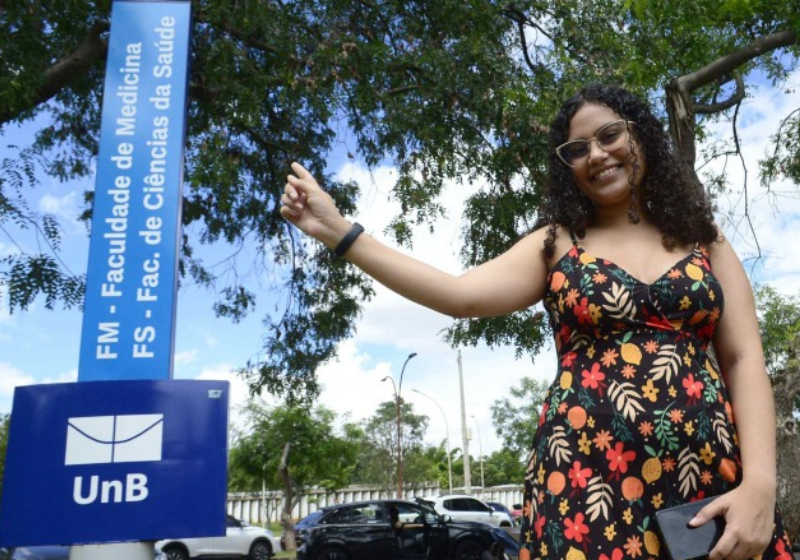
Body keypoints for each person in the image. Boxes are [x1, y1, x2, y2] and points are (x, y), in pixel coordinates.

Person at [280, 84, 791, 560]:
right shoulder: (557, 243)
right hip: (585, 482)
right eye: (577, 149)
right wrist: (341, 233)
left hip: (706, 476)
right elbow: (458, 296)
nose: (596, 154)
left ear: (640, 134)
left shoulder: (703, 239)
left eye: (610, 134)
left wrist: (760, 487)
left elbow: (744, 359)